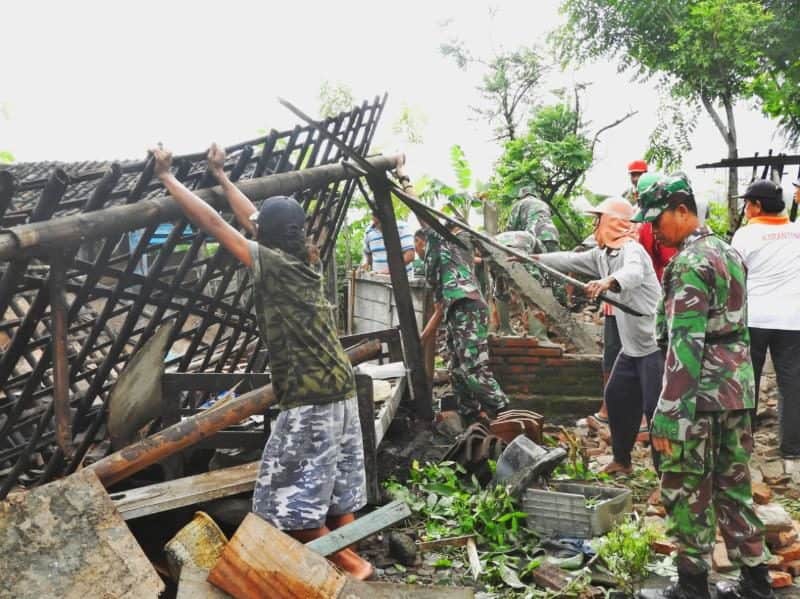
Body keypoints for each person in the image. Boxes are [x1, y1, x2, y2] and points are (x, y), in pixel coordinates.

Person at [152, 143, 372, 579]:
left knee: (287, 496)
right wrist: (222, 177)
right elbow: (251, 216)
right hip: (340, 390)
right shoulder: (301, 257)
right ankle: (352, 558)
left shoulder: (269, 264)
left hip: (311, 397)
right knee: (337, 490)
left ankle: (351, 564)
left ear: (265, 236)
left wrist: (168, 178)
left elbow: (215, 223)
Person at [635, 174, 773, 599]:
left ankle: (692, 586)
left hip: (697, 397)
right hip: (735, 390)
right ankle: (755, 581)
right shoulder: (728, 252)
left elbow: (686, 342)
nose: (654, 230)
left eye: (658, 219)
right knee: (733, 485)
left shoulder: (690, 263)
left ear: (682, 209)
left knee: (687, 487)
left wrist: (668, 413)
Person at [535, 198, 663, 476]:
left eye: (598, 219)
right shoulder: (603, 255)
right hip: (632, 349)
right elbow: (571, 259)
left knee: (657, 412)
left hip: (655, 347)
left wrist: (607, 282)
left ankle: (668, 478)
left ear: (613, 222)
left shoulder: (633, 250)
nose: (595, 226)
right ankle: (622, 460)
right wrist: (537, 259)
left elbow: (633, 273)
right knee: (616, 397)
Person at [403, 180, 508, 423]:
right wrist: (423, 339)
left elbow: (419, 210)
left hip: (467, 307)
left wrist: (404, 179)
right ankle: (470, 413)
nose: (417, 253)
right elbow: (440, 307)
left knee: (472, 366)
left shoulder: (443, 240)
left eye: (417, 247)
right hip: (455, 309)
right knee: (456, 367)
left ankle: (504, 411)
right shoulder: (446, 258)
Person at [731, 179, 800, 468]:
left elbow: (736, 277)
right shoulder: (797, 231)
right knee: (792, 382)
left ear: (757, 206)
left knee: (748, 380)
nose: (745, 209)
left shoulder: (745, 236)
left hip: (755, 318)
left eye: (747, 203)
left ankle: (743, 445)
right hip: (793, 319)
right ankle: (792, 447)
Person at [506, 186, 560, 253]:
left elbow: (511, 227)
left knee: (532, 260)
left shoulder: (520, 203)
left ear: (521, 196)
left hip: (535, 234)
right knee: (551, 261)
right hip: (552, 235)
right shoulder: (544, 204)